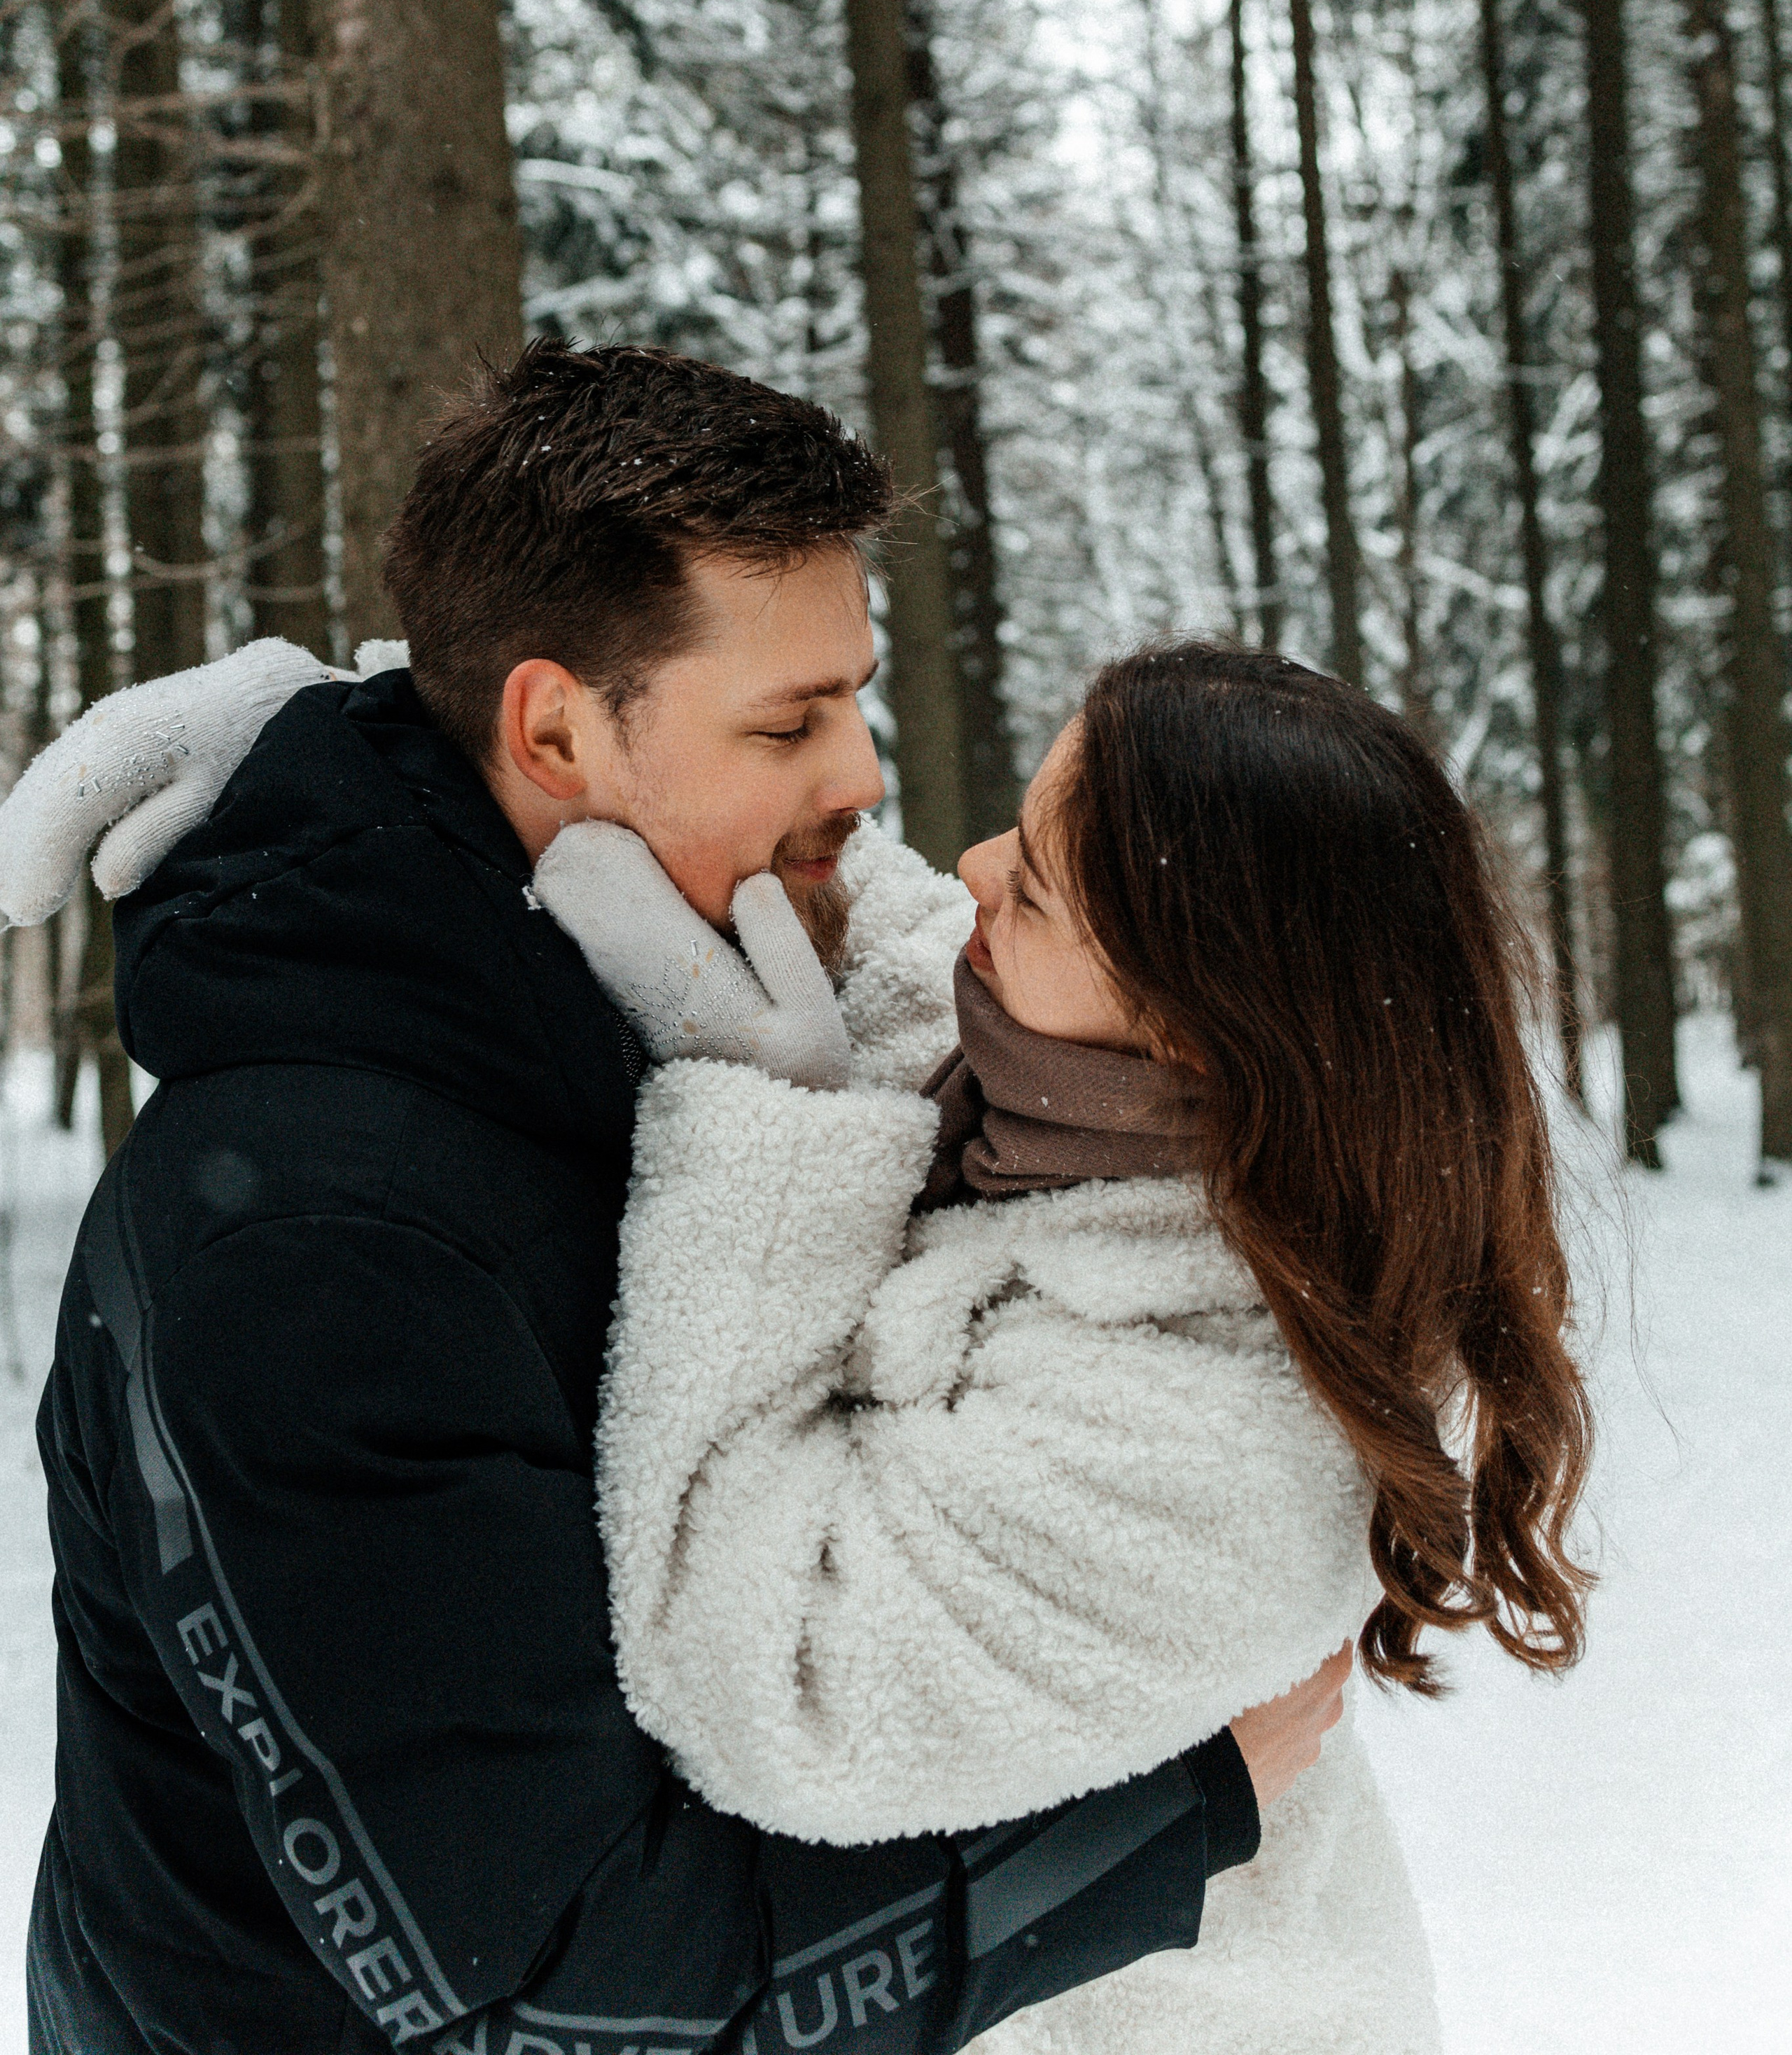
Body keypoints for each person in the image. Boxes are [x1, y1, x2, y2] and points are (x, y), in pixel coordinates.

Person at [2, 344, 1345, 2055]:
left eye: (851, 693)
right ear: (552, 727)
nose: (862, 781)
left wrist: (329, 736)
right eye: (787, 722)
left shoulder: (662, 978)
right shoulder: (314, 1256)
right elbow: (545, 1984)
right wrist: (1156, 1820)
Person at [523, 644, 1595, 2055]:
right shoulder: (1046, 1069)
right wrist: (336, 755)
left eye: (1031, 882)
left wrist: (762, 1135)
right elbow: (843, 889)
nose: (967, 867)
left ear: (1198, 1021)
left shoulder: (1216, 1446)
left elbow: (760, 1685)